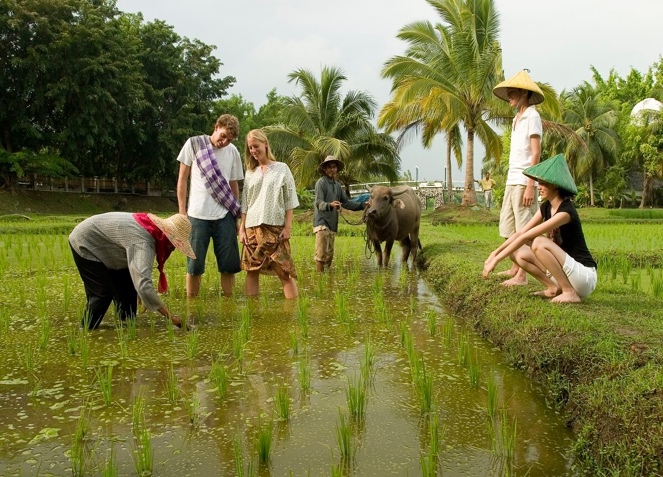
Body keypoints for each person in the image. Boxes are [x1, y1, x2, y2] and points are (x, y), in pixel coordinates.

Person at [483, 154, 597, 303]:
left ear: (555, 184)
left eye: (542, 183)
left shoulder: (566, 212)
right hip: (565, 272)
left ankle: (569, 292)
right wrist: (494, 253)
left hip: (583, 276)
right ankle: (552, 288)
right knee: (517, 253)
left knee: (538, 242)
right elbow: (521, 232)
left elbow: (527, 236)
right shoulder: (546, 207)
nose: (539, 187)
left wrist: (496, 260)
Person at [69, 212, 196, 329]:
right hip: (86, 242)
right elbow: (144, 285)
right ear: (167, 237)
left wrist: (139, 290)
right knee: (102, 293)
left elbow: (138, 275)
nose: (173, 249)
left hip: (112, 249)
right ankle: (86, 330)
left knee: (128, 294)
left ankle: (125, 327)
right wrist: (171, 317)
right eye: (174, 244)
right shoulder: (143, 242)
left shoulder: (151, 229)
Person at [176, 114, 243, 297]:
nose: (224, 142)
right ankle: (192, 308)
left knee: (229, 267)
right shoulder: (194, 144)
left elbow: (233, 184)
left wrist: (236, 215)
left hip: (224, 216)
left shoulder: (233, 152)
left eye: (229, 140)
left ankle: (229, 306)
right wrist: (182, 212)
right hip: (198, 216)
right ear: (216, 127)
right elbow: (182, 179)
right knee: (194, 267)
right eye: (223, 136)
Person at [492, 69, 544, 286]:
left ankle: (522, 276)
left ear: (524, 93)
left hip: (524, 180)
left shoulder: (533, 116)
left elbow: (536, 152)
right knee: (508, 228)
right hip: (512, 180)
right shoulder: (517, 119)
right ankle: (516, 268)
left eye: (512, 92)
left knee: (524, 231)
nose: (509, 96)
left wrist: (531, 184)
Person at [238, 129, 299, 299]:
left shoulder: (282, 169)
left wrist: (288, 227)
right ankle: (253, 312)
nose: (253, 151)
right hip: (252, 228)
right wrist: (241, 229)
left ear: (265, 144)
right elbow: (245, 204)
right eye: (250, 148)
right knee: (252, 271)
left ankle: (293, 311)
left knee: (283, 272)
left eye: (256, 146)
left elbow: (289, 201)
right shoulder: (250, 172)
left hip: (275, 228)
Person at [313, 155, 367, 272]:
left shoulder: (337, 186)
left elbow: (347, 203)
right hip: (322, 222)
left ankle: (326, 280)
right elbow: (318, 202)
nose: (332, 169)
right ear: (325, 169)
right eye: (329, 167)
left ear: (337, 169)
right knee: (321, 253)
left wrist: (363, 205)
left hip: (332, 223)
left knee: (329, 255)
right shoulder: (321, 183)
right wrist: (330, 205)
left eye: (334, 167)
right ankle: (319, 280)